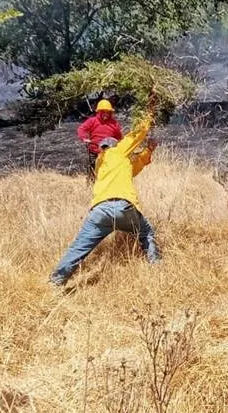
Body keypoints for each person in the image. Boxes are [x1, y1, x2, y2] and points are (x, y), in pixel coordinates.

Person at [51, 113, 160, 286]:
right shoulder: (118, 152)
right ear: (115, 146)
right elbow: (138, 133)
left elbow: (135, 166)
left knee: (78, 248)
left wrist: (148, 150)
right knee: (146, 233)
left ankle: (56, 281)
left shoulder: (101, 163)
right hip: (124, 207)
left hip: (99, 212)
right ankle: (158, 269)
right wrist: (149, 113)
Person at [77, 99, 123, 178]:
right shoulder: (92, 121)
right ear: (99, 112)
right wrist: (84, 138)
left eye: (108, 112)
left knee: (108, 172)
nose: (106, 114)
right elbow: (81, 129)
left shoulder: (114, 123)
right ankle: (91, 186)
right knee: (93, 171)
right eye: (103, 112)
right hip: (94, 151)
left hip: (108, 152)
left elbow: (119, 137)